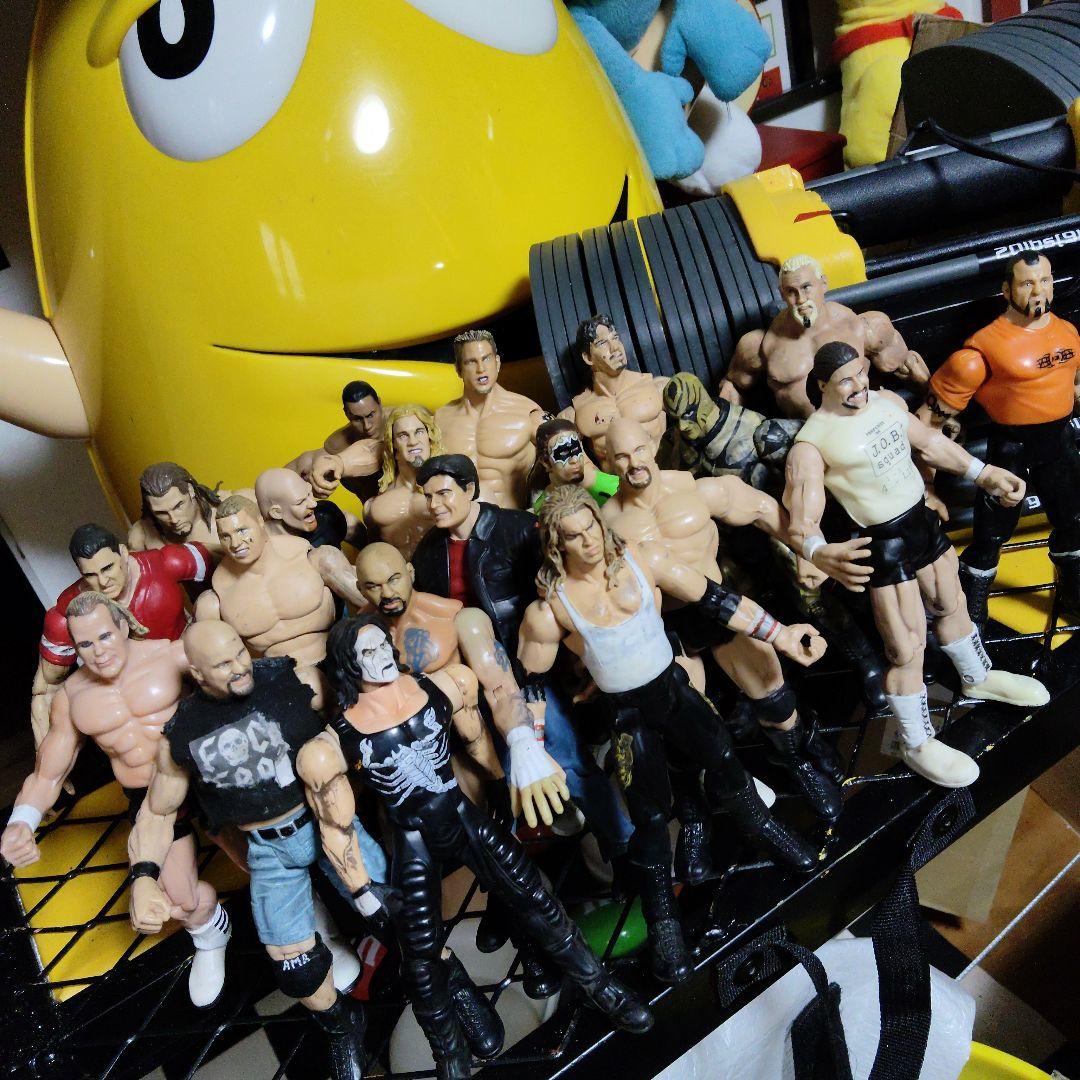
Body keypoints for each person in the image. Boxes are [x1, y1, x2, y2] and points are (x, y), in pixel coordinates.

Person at [302, 615, 653, 1080]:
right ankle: (450, 1058)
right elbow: (336, 827)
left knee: (537, 900)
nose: (382, 655)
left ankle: (601, 987)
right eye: (367, 652)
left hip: (463, 815)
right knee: (420, 961)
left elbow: (475, 739)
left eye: (383, 644)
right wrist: (363, 890)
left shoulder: (444, 685)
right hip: (411, 840)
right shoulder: (331, 745)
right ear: (349, 664)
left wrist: (505, 783)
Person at [518, 485, 825, 983]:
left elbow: (718, 600)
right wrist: (531, 750)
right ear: (557, 545)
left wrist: (782, 633)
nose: (589, 540)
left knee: (724, 760)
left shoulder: (644, 558)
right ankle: (664, 920)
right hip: (626, 716)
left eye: (591, 526)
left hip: (673, 689)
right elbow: (530, 682)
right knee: (649, 817)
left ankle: (766, 829)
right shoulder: (550, 609)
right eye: (574, 535)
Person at [785, 341, 1050, 788]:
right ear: (823, 385)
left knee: (952, 602)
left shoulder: (886, 402)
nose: (858, 385)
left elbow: (929, 443)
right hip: (883, 543)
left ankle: (977, 676)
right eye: (846, 379)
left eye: (861, 372)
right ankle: (915, 741)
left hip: (920, 524)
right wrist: (817, 551)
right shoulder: (811, 444)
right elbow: (801, 519)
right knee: (906, 647)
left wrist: (983, 473)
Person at [128, 621, 385, 1079]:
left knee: (398, 908)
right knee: (295, 967)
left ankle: (448, 984)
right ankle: (342, 1024)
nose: (238, 666)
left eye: (239, 652)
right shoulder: (183, 733)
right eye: (222, 663)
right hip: (268, 850)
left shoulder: (289, 678)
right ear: (197, 673)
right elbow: (157, 812)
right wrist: (144, 876)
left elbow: (359, 698)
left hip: (328, 822)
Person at [601, 417, 854, 825]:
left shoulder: (694, 489)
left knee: (773, 693)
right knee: (688, 728)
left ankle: (798, 760)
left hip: (719, 605)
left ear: (653, 444)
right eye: (622, 456)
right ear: (607, 462)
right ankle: (709, 815)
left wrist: (812, 551)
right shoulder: (605, 524)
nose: (634, 463)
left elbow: (762, 509)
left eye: (639, 450)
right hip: (664, 627)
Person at [2, 594, 229, 1007]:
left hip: (207, 775)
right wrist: (21, 821)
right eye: (85, 644)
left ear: (124, 625)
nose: (99, 652)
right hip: (150, 799)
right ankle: (211, 934)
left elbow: (234, 681)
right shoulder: (72, 696)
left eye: (105, 636)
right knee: (178, 901)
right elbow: (48, 773)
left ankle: (305, 921)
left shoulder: (172, 654)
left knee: (266, 851)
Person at [411, 454, 634, 860]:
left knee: (569, 759)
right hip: (476, 681)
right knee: (509, 775)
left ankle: (625, 845)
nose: (434, 505)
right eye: (427, 497)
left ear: (469, 489)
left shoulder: (515, 529)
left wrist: (580, 659)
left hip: (530, 670)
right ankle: (553, 862)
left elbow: (557, 595)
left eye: (443, 493)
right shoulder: (428, 551)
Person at [917, 253, 1080, 624]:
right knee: (992, 533)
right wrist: (926, 486)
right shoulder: (982, 350)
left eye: (1045, 280)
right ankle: (969, 601)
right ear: (1007, 290)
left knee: (1073, 520)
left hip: (1059, 442)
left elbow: (1075, 386)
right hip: (1011, 448)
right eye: (1027, 283)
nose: (1038, 291)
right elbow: (926, 425)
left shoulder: (1068, 333)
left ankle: (1073, 588)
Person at [31, 523, 210, 746]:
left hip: (191, 666)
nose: (103, 581)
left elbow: (222, 557)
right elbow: (45, 692)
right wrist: (46, 753)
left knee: (209, 604)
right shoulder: (68, 614)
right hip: (138, 699)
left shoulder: (163, 564)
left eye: (108, 568)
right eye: (90, 575)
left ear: (124, 553)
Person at [722, 254, 929, 419]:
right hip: (808, 437)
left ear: (824, 284)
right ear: (782, 294)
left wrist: (934, 416)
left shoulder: (864, 328)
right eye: (791, 292)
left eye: (806, 287)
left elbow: (910, 369)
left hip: (865, 421)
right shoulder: (757, 346)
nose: (801, 299)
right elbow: (732, 389)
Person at [196, 495, 339, 687]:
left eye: (242, 530)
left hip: (338, 660)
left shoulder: (308, 557)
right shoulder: (219, 594)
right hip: (277, 680)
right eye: (225, 536)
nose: (235, 543)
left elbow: (368, 602)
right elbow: (208, 663)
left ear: (260, 522)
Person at [436, 330, 546, 509]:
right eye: (471, 362)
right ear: (458, 369)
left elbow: (569, 464)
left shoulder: (528, 412)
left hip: (513, 520)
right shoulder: (441, 419)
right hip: (461, 522)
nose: (481, 368)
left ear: (497, 362)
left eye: (486, 359)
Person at [254, 469, 368, 611]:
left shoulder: (325, 516)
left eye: (309, 493)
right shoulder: (261, 551)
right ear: (276, 512)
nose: (313, 503)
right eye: (300, 502)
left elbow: (352, 528)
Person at [562, 315, 668, 464]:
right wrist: (605, 479)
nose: (615, 347)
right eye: (602, 343)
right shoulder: (576, 414)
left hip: (664, 472)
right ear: (588, 358)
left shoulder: (658, 388)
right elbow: (577, 468)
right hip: (614, 479)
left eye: (615, 338)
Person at [363, 404, 445, 559]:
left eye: (419, 432)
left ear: (429, 436)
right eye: (403, 435)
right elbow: (374, 551)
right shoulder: (378, 500)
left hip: (438, 571)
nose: (413, 441)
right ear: (392, 442)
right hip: (396, 571)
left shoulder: (449, 489)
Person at [127, 460, 254, 557]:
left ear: (191, 490)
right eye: (161, 512)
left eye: (178, 506)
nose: (174, 520)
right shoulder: (142, 536)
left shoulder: (239, 505)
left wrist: (206, 550)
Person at [287, 381, 385, 502]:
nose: (367, 426)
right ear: (346, 414)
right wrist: (314, 483)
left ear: (379, 403)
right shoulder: (338, 444)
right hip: (373, 507)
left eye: (371, 415)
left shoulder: (400, 421)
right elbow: (300, 466)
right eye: (357, 419)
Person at [531, 417, 618, 513]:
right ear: (545, 462)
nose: (575, 460)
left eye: (576, 449)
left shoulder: (613, 487)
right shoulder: (544, 509)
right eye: (563, 453)